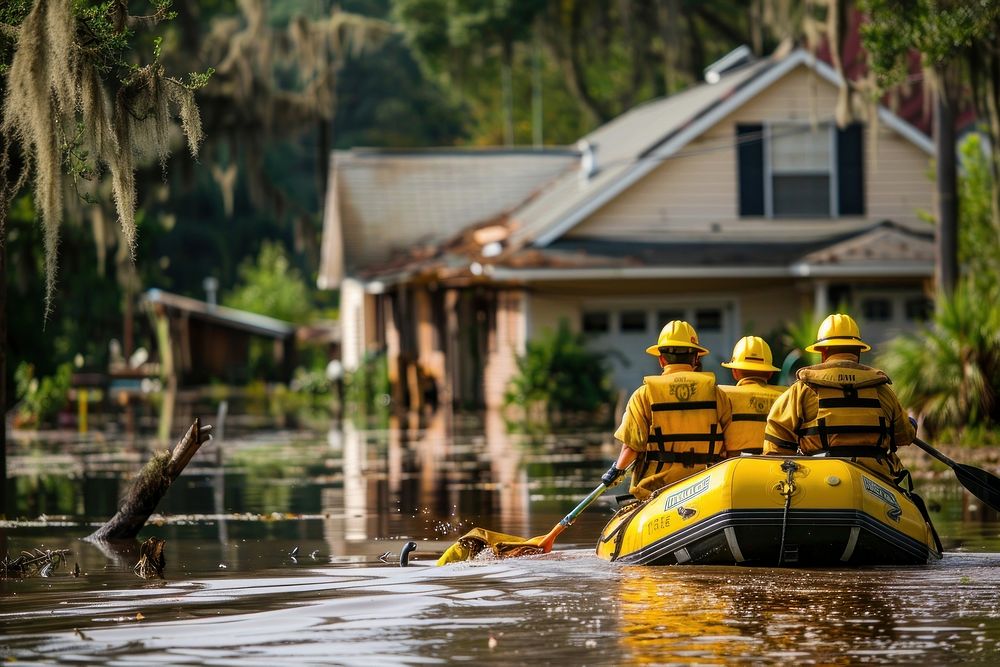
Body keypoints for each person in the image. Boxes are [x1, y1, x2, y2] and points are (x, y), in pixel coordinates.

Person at [763, 313, 915, 483]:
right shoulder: (883, 390)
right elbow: (905, 436)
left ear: (822, 351)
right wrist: (912, 426)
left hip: (820, 480)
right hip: (876, 480)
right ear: (858, 351)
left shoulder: (802, 390)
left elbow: (775, 445)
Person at [601, 320, 732, 501]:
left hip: (657, 490)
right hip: (708, 484)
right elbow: (729, 442)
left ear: (661, 359)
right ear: (695, 358)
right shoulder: (717, 394)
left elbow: (631, 447)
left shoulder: (644, 394)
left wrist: (615, 471)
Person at [719, 336, 787, 456]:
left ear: (734, 372)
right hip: (777, 469)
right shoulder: (786, 396)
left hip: (735, 469)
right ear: (770, 373)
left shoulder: (722, 396)